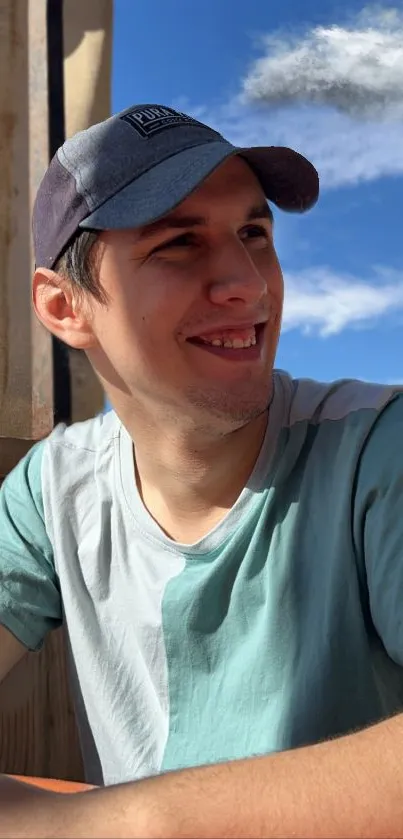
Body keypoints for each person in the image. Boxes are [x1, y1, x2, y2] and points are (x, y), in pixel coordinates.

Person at [0, 102, 402, 838]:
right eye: (179, 244)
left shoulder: (376, 452)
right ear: (64, 306)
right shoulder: (52, 489)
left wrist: (115, 823)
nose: (247, 283)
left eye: (254, 233)